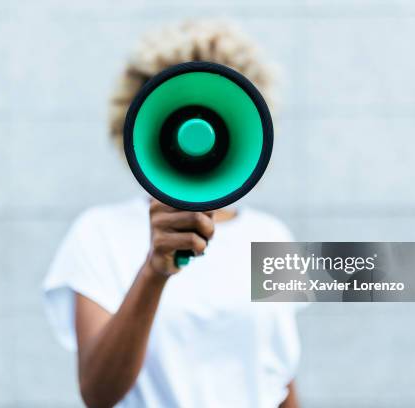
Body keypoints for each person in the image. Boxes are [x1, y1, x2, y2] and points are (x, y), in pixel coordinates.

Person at [43, 20, 302, 408]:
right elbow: (98, 392)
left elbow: (278, 379)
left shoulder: (271, 236)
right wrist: (153, 271)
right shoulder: (99, 233)